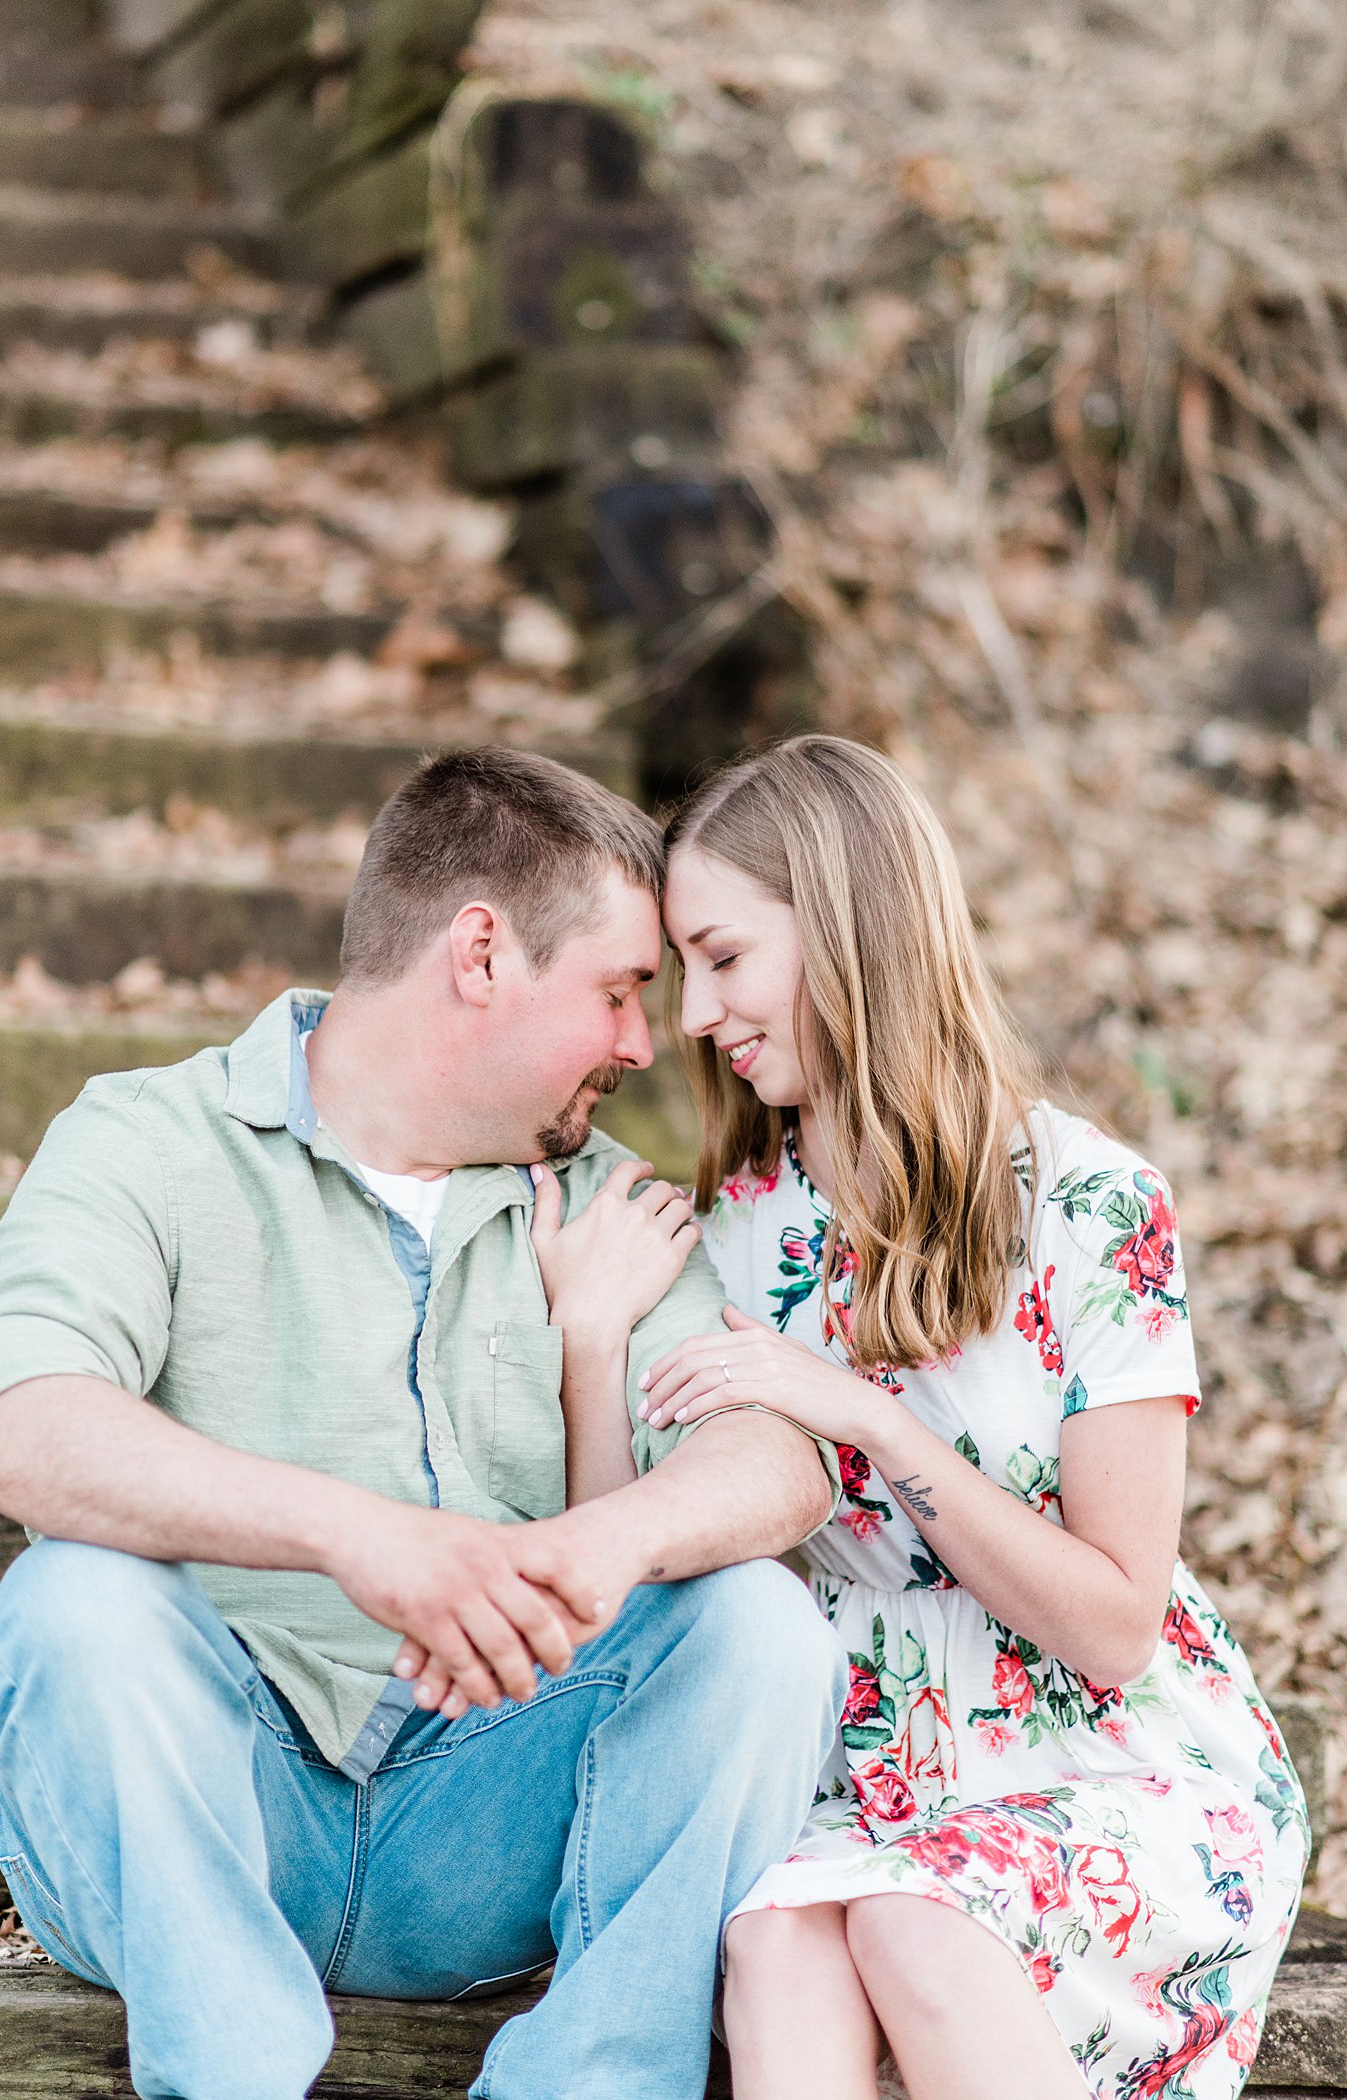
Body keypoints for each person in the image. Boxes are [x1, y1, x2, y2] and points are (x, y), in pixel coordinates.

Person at [0, 748, 848, 2100]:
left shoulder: (600, 1201)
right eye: (615, 991)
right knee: (73, 1604)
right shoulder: (150, 1140)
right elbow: (12, 1421)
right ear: (480, 954)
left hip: (485, 1822)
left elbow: (774, 1459)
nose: (642, 1044)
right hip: (211, 1812)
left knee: (758, 1629)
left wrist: (611, 1546)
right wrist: (359, 1539)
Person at [555, 736, 1308, 2100]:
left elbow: (1113, 1622)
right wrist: (589, 1342)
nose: (692, 1017)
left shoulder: (1087, 1204)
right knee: (776, 1938)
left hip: (1110, 1759)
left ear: (843, 925)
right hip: (872, 1772)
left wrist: (879, 1427)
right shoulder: (734, 1237)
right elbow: (624, 1580)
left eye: (723, 958)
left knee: (916, 1919)